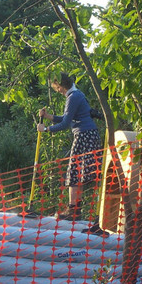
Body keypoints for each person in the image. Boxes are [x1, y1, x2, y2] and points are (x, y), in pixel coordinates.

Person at [37, 73, 103, 221]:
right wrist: (48, 117)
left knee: (74, 171)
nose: (58, 91)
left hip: (84, 135)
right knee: (78, 172)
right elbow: (67, 117)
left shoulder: (72, 97)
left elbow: (66, 123)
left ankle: (73, 209)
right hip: (89, 134)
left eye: (57, 88)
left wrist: (46, 130)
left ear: (60, 85)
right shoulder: (77, 94)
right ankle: (76, 209)